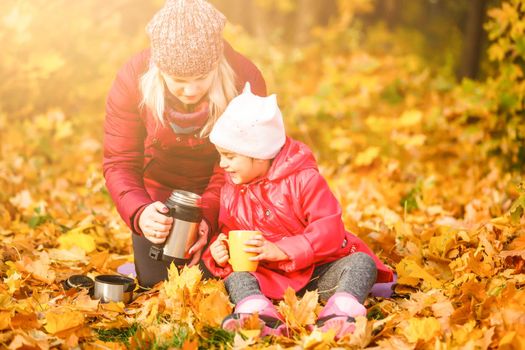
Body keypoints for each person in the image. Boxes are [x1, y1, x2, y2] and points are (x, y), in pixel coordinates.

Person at [202, 84, 393, 339]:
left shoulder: (303, 179)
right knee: (237, 277)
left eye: (229, 156)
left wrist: (282, 250)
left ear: (258, 155)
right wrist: (220, 250)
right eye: (220, 156)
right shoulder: (231, 190)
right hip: (270, 278)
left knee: (361, 263)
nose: (222, 164)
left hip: (318, 272)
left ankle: (341, 312)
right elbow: (229, 232)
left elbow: (330, 228)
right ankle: (256, 312)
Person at [103, 0, 266, 288]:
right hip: (160, 197)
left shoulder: (245, 79)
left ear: (216, 65)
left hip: (228, 193)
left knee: (220, 274)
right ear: (159, 67)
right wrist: (141, 213)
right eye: (178, 80)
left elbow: (243, 164)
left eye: (201, 78)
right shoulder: (131, 79)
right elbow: (120, 162)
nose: (190, 90)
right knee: (156, 282)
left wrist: (209, 219)